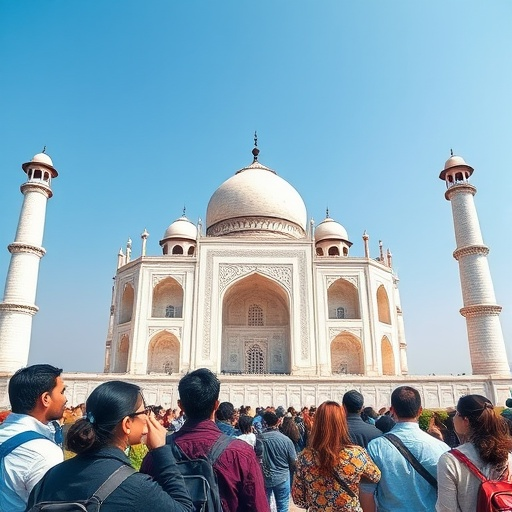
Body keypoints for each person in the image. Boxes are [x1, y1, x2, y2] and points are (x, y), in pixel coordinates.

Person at [27, 380, 193, 512]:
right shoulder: (135, 487)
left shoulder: (51, 476)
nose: (148, 418)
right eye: (144, 412)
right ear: (127, 424)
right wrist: (161, 452)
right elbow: (185, 509)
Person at [141, 368, 269, 512]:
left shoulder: (156, 456)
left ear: (180, 405)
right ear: (216, 405)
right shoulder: (240, 453)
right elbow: (258, 507)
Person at [362, 386, 450, 512]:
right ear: (420, 411)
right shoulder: (441, 447)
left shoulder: (376, 447)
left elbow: (366, 492)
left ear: (392, 410)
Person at [0, 364, 67, 512]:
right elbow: (49, 507)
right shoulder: (44, 451)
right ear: (46, 399)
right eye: (62, 392)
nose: (65, 399)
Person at [292, 400, 381, 511]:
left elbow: (298, 499)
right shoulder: (356, 454)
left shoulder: (305, 457)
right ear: (342, 423)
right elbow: (375, 476)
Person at [436, 394, 512, 512]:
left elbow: (446, 509)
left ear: (465, 420)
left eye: (456, 413)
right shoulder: (508, 457)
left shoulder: (450, 461)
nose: (453, 418)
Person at [259, 410, 297, 512]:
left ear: (264, 423)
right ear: (278, 422)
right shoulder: (286, 440)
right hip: (282, 477)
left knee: (265, 507)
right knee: (283, 507)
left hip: (264, 477)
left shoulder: (258, 440)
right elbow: (293, 461)